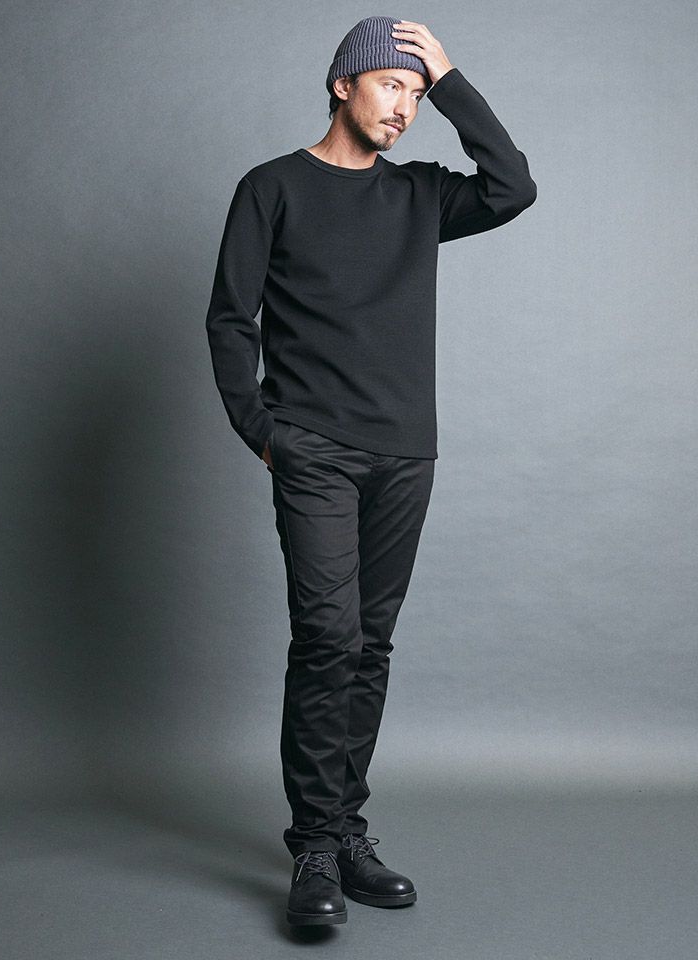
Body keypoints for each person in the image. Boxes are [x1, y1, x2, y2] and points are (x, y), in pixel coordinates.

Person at [205, 15, 536, 927]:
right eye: (393, 85)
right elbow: (230, 318)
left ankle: (347, 831)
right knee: (328, 636)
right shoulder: (271, 187)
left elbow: (513, 187)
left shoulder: (421, 195)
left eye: (418, 96)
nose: (406, 108)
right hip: (311, 447)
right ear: (343, 83)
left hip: (403, 453)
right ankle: (314, 845)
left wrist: (451, 77)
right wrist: (262, 431)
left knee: (371, 643)